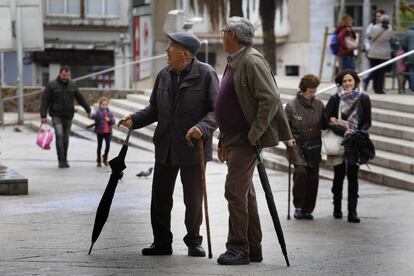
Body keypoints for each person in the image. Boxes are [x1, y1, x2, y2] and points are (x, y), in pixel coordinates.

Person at [119, 32, 219, 257]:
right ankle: (161, 242)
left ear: (184, 53)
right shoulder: (164, 75)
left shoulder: (206, 74)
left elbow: (217, 111)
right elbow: (154, 108)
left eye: (170, 47)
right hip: (165, 145)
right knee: (160, 198)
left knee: (193, 199)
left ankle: (194, 241)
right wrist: (134, 119)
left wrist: (201, 128)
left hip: (193, 147)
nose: (166, 51)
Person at [215, 16, 294, 265]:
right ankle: (253, 247)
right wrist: (222, 140)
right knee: (245, 194)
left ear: (233, 36)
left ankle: (238, 248)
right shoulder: (235, 61)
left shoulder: (251, 60)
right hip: (234, 139)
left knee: (235, 192)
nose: (222, 35)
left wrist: (254, 133)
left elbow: (269, 98)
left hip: (245, 140)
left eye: (224, 31)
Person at [324, 70, 372, 223]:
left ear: (355, 81)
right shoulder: (335, 98)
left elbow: (367, 121)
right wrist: (343, 131)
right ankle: (337, 207)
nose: (347, 84)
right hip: (339, 140)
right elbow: (326, 120)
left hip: (355, 142)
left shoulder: (364, 98)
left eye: (350, 80)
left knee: (353, 177)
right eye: (344, 81)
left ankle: (352, 211)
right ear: (340, 83)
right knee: (338, 176)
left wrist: (358, 132)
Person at [285, 75, 327, 220]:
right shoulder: (291, 106)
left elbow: (325, 123)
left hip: (314, 145)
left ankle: (308, 209)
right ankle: (298, 206)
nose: (312, 94)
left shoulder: (319, 105)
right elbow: (284, 128)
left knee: (313, 178)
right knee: (301, 173)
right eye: (309, 91)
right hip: (297, 146)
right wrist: (287, 139)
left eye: (314, 91)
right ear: (303, 90)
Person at [40, 66, 91, 168]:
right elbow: (45, 100)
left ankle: (65, 158)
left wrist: (88, 110)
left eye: (67, 75)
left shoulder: (72, 85)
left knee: (65, 138)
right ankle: (61, 160)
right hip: (56, 115)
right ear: (60, 73)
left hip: (68, 115)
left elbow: (80, 98)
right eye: (64, 75)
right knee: (59, 135)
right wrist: (43, 115)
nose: (65, 77)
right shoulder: (51, 85)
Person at [366, 15, 395, 94]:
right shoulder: (390, 30)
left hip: (373, 53)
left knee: (374, 70)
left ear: (380, 21)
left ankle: (375, 87)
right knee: (381, 72)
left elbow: (368, 36)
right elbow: (392, 40)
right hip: (384, 54)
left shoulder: (374, 28)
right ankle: (379, 89)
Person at [363, 9, 387, 91]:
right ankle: (369, 81)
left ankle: (372, 84)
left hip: (383, 52)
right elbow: (367, 38)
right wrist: (367, 49)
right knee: (375, 69)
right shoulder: (372, 26)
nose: (377, 18)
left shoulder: (386, 26)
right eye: (376, 16)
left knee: (378, 69)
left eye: (379, 16)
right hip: (372, 50)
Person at [91, 97, 115, 167]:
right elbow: (94, 116)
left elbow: (113, 121)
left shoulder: (109, 112)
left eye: (105, 104)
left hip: (108, 131)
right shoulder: (98, 111)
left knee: (108, 146)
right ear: (100, 105)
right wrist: (91, 115)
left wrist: (109, 120)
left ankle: (105, 157)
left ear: (107, 105)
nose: (104, 106)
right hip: (100, 131)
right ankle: (99, 160)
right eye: (103, 104)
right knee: (100, 146)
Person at [401, 23, 414, 93]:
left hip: (411, 55)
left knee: (412, 71)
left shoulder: (408, 33)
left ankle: (412, 88)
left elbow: (403, 44)